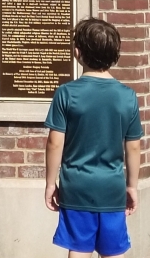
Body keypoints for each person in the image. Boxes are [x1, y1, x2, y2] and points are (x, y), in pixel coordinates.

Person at [43, 18, 143, 258]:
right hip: (111, 188)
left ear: (77, 53)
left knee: (78, 249)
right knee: (114, 250)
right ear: (115, 55)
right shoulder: (127, 96)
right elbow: (134, 148)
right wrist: (132, 186)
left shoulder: (66, 94)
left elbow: (55, 142)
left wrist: (49, 183)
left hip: (76, 186)